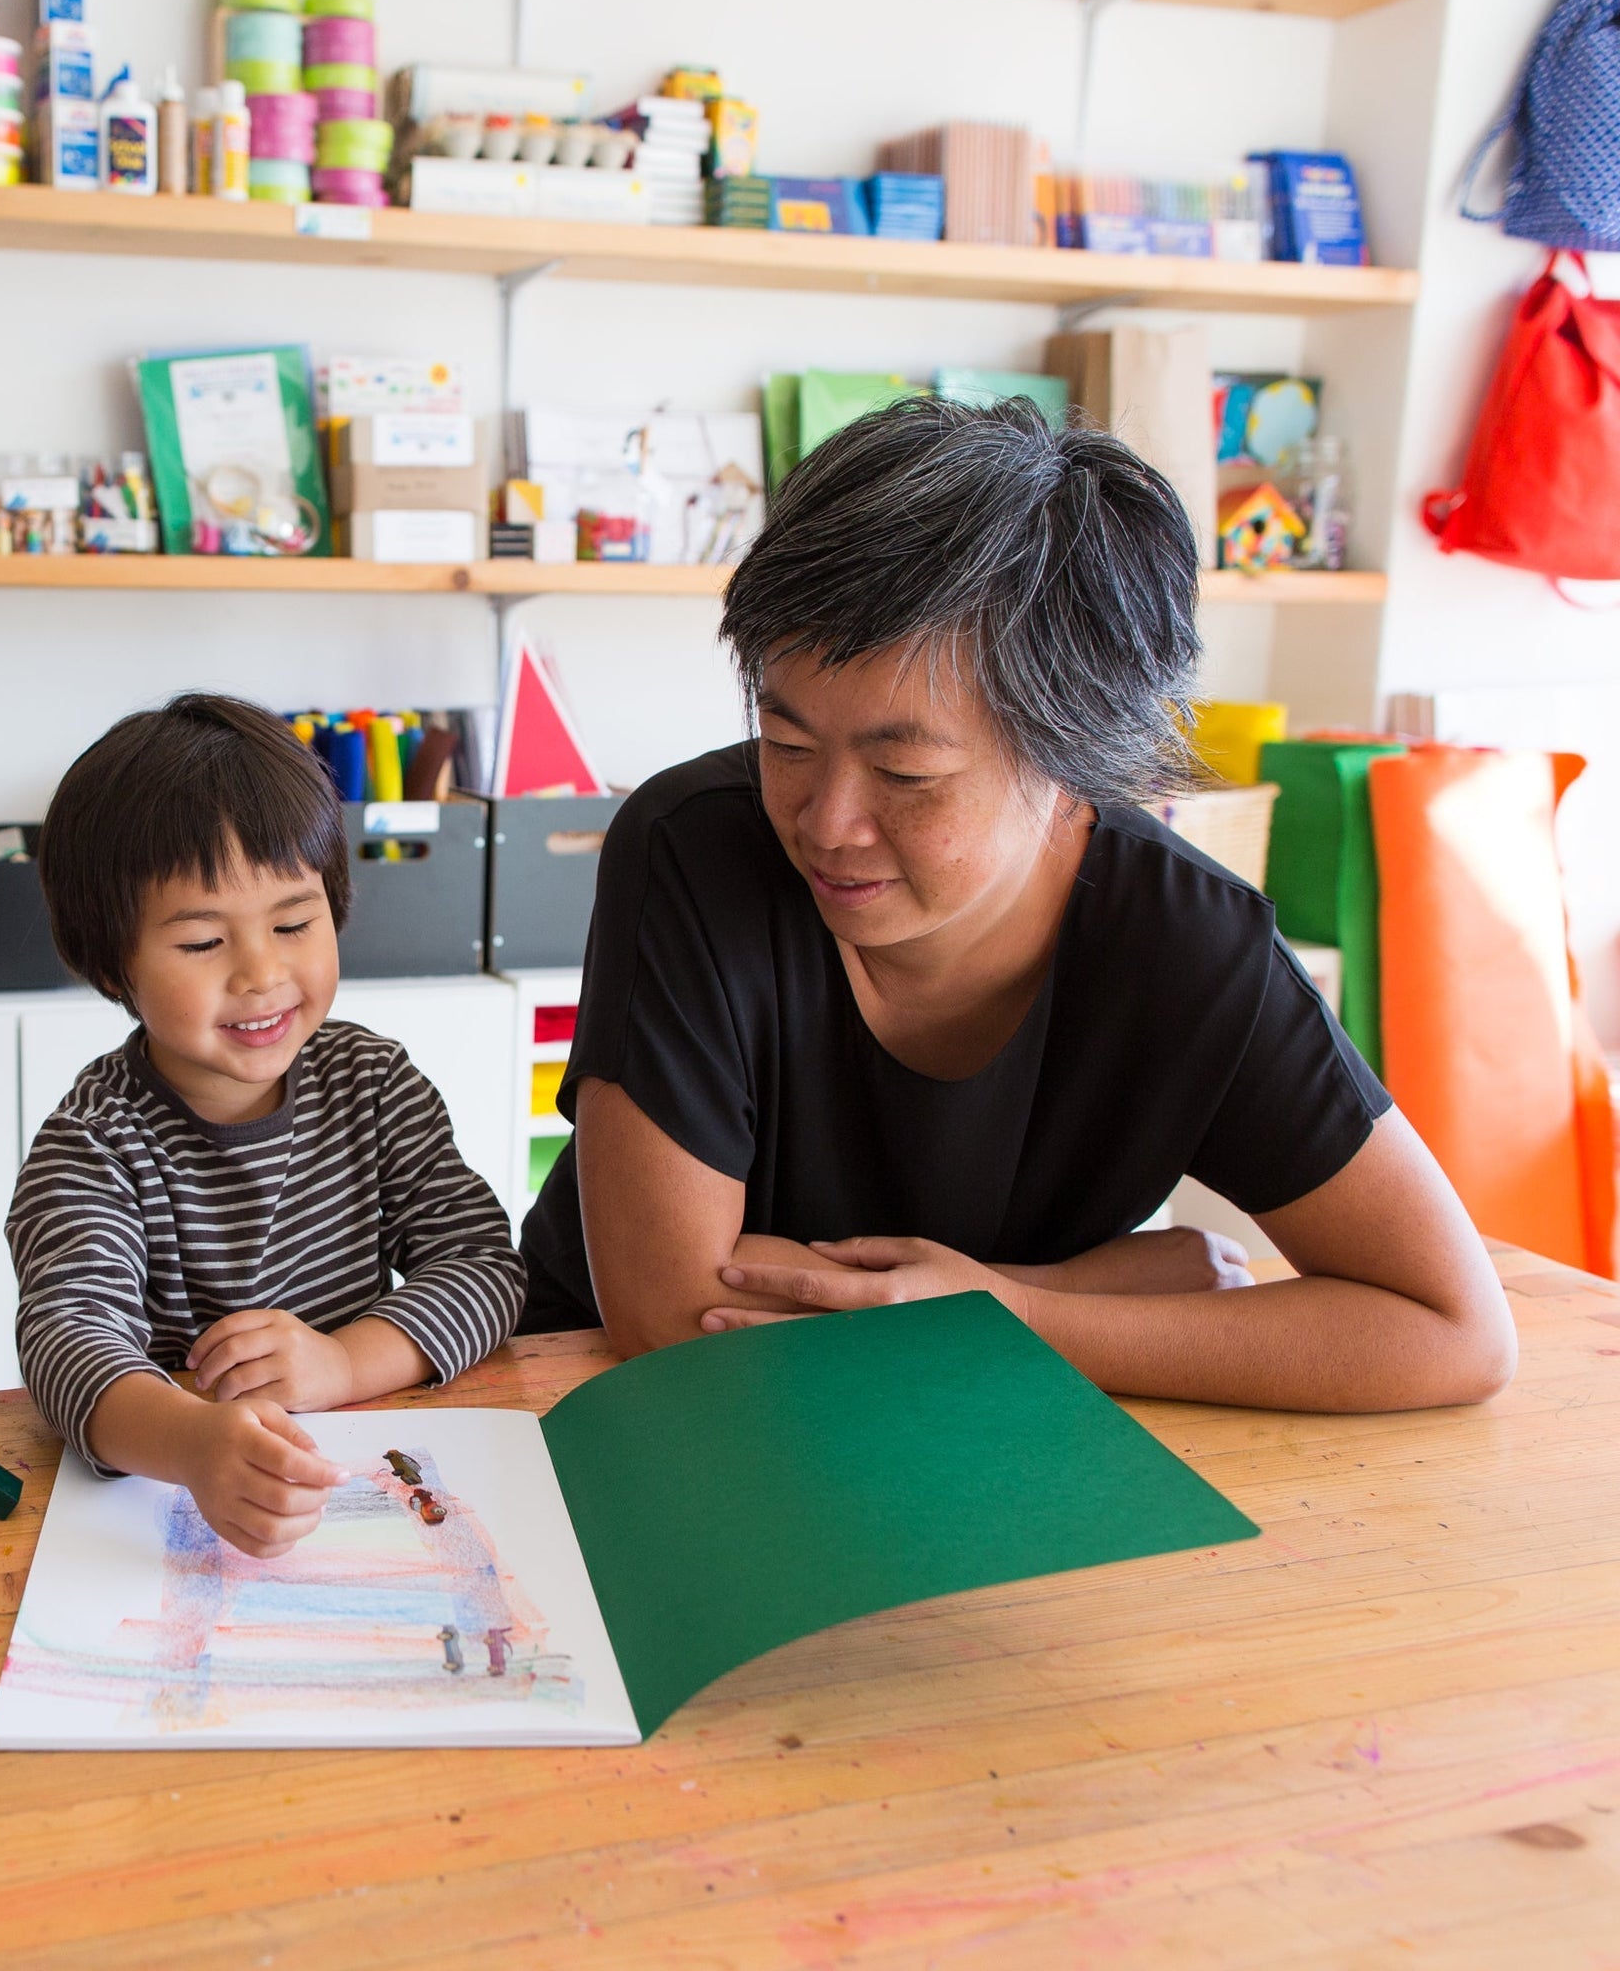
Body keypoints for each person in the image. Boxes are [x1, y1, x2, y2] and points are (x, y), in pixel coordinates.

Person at [520, 398, 1517, 1412]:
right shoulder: (694, 849)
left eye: (904, 772)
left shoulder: (1185, 941)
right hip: (638, 1413)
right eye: (786, 744)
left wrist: (1018, 1315)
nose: (826, 821)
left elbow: (1450, 1329)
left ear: (1070, 753)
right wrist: (1094, 1285)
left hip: (988, 1433)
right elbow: (671, 1315)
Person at [10, 693, 525, 1557]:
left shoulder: (373, 1083)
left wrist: (345, 1363)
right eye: (204, 943)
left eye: (293, 922)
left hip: (374, 1483)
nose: (262, 973)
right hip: (184, 1502)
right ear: (111, 961)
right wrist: (191, 1443)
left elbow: (485, 1269)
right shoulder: (94, 1143)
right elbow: (68, 1341)